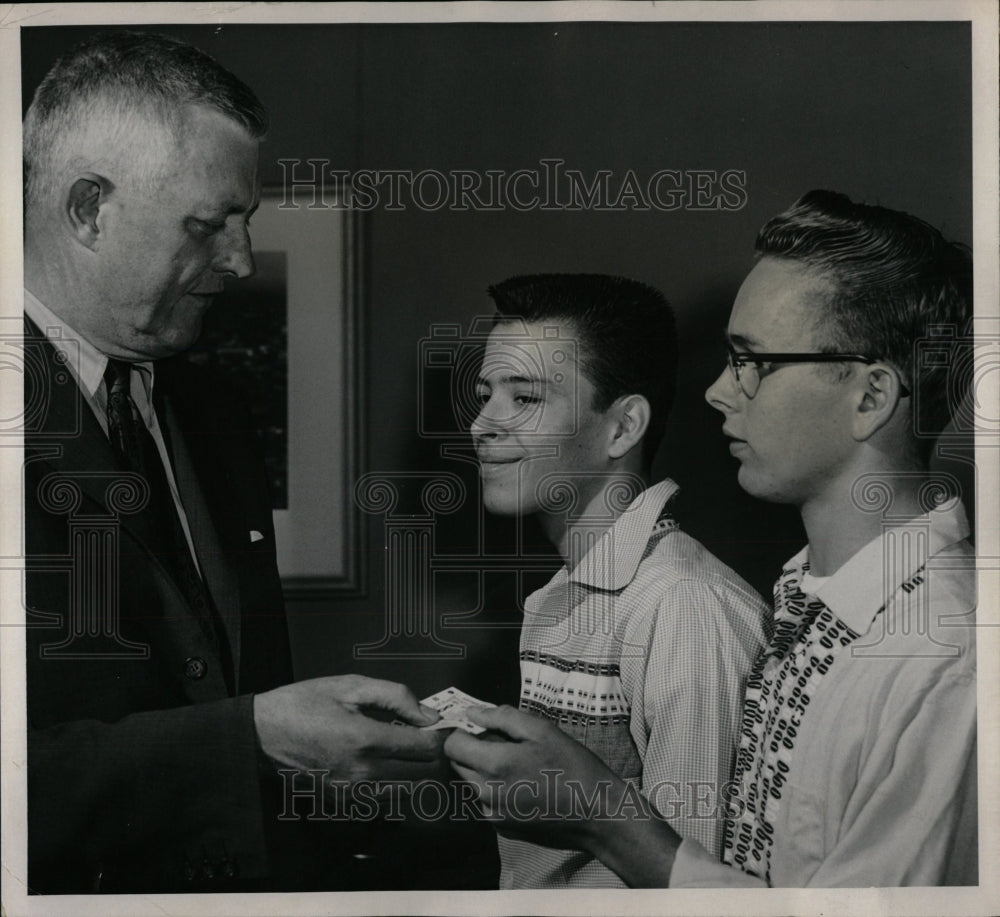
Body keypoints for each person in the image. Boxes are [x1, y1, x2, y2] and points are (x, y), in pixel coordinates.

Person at [444, 192, 977, 887]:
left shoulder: (943, 655)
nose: (718, 392)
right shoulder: (812, 603)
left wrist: (602, 815)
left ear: (871, 396)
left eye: (753, 360)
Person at [22, 31, 443, 894]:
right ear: (88, 208)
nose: (242, 261)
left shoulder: (207, 407)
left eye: (246, 224)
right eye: (210, 224)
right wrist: (256, 734)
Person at [449, 274, 768, 887]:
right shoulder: (567, 595)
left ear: (622, 428)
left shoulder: (684, 606)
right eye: (487, 394)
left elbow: (696, 887)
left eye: (524, 398)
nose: (482, 425)